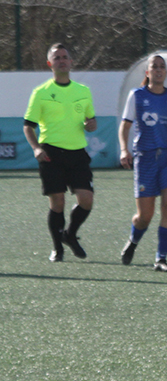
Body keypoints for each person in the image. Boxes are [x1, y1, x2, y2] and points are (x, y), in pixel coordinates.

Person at [118, 54, 167, 272]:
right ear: (148, 72)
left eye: (162, 67)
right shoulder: (137, 96)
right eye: (155, 67)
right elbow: (124, 127)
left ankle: (161, 258)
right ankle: (133, 241)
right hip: (145, 159)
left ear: (166, 72)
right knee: (145, 216)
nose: (159, 70)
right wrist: (124, 149)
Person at [22, 43, 97, 262]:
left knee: (87, 200)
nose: (62, 60)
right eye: (57, 57)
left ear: (71, 62)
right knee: (58, 203)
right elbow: (28, 126)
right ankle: (58, 248)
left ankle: (70, 234)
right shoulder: (41, 93)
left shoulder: (83, 91)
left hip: (77, 153)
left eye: (65, 57)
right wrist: (36, 148)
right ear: (50, 64)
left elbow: (90, 120)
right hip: (51, 153)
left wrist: (91, 124)